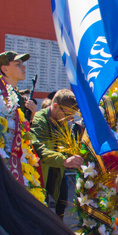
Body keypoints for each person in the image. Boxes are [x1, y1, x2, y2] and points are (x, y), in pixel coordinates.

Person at [31, 89, 84, 220]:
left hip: (57, 172)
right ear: (55, 106)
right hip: (39, 174)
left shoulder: (62, 122)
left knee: (62, 202)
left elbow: (68, 146)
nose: (69, 119)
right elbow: (41, 151)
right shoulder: (38, 120)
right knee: (39, 210)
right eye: (67, 114)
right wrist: (65, 161)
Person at [0, 50, 38, 119]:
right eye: (18, 64)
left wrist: (31, 117)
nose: (24, 67)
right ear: (4, 69)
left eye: (22, 64)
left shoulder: (18, 97)